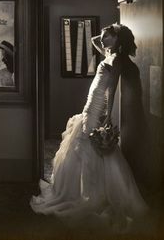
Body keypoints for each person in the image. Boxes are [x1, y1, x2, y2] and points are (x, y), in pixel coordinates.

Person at [30, 23, 148, 231]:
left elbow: (111, 90)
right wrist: (108, 34)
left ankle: (92, 192)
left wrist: (108, 115)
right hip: (89, 105)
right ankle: (78, 188)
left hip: (98, 107)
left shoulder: (117, 59)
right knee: (84, 145)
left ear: (116, 39)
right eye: (102, 37)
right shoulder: (108, 53)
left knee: (89, 146)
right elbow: (95, 40)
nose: (101, 40)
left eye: (106, 37)